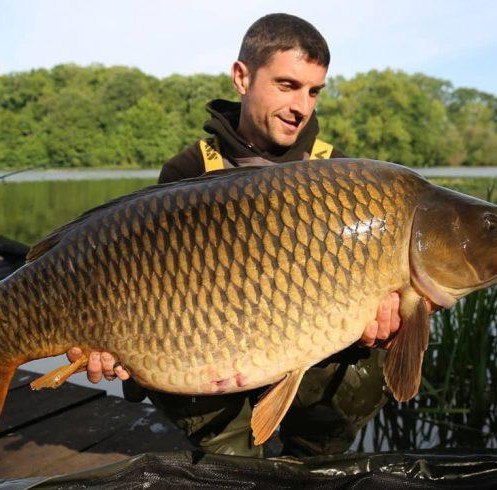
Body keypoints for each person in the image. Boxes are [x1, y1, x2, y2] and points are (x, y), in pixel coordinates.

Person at [67, 13, 404, 457]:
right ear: (242, 77)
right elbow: (144, 290)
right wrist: (110, 344)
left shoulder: (336, 174)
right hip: (204, 347)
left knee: (361, 374)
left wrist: (383, 324)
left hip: (304, 352)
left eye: (313, 91)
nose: (302, 107)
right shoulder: (188, 171)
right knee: (232, 463)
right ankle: (231, 453)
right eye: (287, 85)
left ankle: (314, 454)